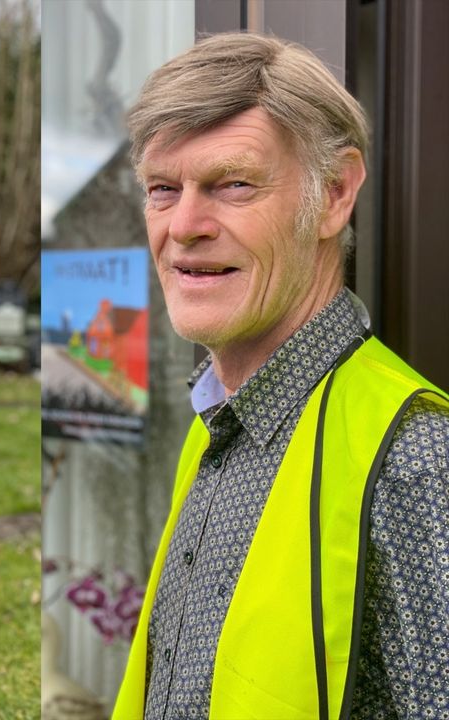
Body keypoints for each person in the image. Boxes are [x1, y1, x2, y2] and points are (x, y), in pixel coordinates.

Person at [111, 33, 449, 719]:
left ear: (334, 193)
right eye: (162, 189)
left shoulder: (417, 458)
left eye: (233, 184)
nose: (184, 226)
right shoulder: (217, 425)